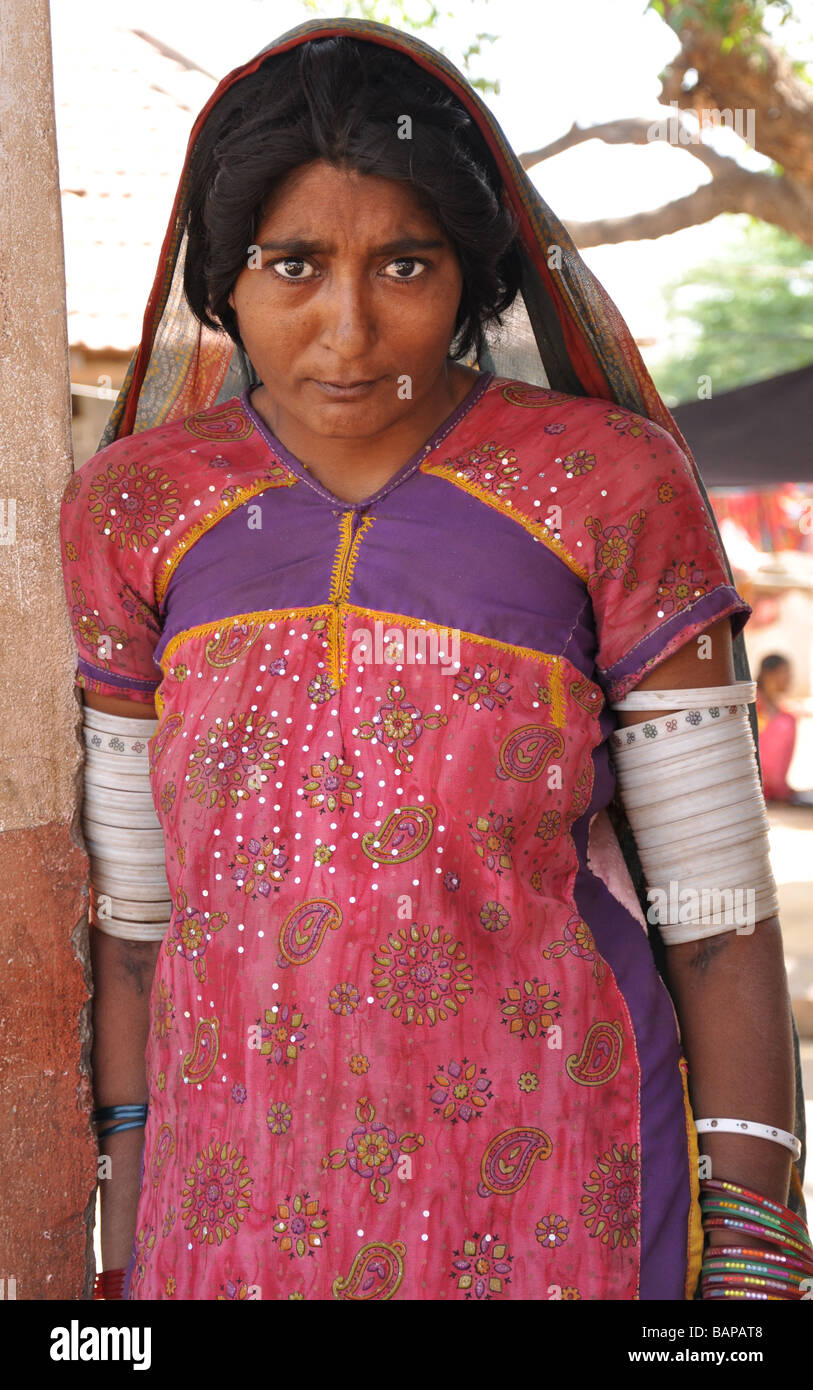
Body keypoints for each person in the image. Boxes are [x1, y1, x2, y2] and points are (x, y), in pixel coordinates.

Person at [60, 17, 809, 1302]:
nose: (346, 329)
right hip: (227, 1217)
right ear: (221, 282)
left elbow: (719, 929)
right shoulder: (138, 508)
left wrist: (753, 1277)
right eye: (293, 264)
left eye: (404, 264)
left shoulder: (605, 486)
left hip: (569, 1197)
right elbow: (137, 933)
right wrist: (127, 1243)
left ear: (473, 275)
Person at [756, 655, 813, 807]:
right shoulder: (755, 702)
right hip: (756, 778)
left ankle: (778, 787)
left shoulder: (777, 707)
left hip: (773, 787)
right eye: (785, 672)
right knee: (785, 723)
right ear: (769, 675)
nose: (789, 678)